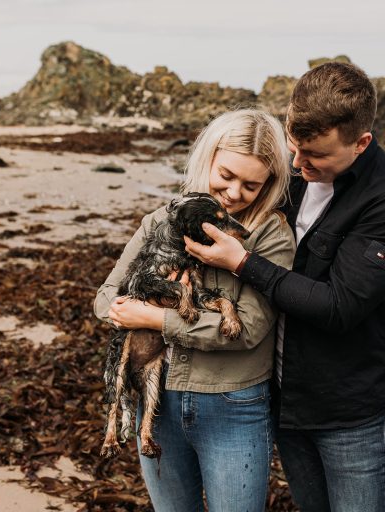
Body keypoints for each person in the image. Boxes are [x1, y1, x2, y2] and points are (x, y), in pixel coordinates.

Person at [184, 63, 385, 511]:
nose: (298, 164)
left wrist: (242, 262)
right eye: (293, 146)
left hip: (352, 412)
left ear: (361, 143)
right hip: (287, 398)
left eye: (315, 155)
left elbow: (338, 307)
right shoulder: (293, 178)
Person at [93, 109, 295, 512]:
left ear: (269, 183)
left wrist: (153, 317)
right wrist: (143, 303)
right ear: (208, 158)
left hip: (233, 407)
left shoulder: (269, 235)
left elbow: (246, 330)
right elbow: (105, 298)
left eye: (251, 185)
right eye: (226, 175)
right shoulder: (162, 220)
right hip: (159, 403)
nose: (233, 193)